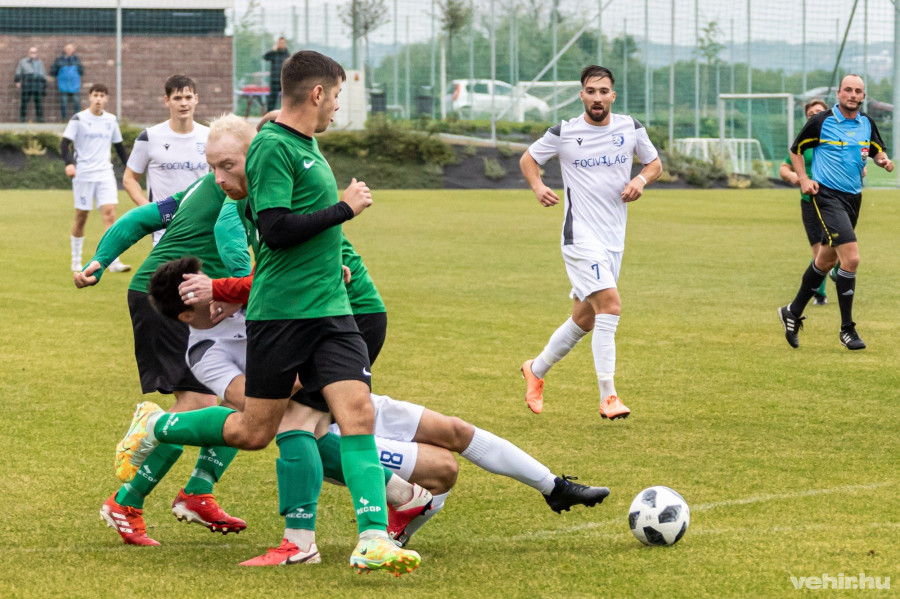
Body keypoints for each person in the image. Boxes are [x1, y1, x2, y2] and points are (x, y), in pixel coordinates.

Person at [112, 50, 422, 577]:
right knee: (257, 430)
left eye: (223, 165)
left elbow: (282, 223)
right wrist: (346, 208)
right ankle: (161, 427)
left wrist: (334, 263)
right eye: (337, 97)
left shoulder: (297, 145)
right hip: (282, 316)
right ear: (318, 93)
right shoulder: (275, 146)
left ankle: (371, 537)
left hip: (330, 310)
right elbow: (276, 229)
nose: (338, 109)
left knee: (357, 414)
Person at [74, 115, 255, 547]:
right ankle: (128, 500)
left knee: (244, 401)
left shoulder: (204, 186)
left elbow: (140, 219)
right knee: (201, 407)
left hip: (199, 299)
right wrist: (250, 285)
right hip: (171, 299)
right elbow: (230, 237)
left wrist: (101, 260)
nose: (220, 174)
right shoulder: (232, 187)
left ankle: (195, 493)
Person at [518, 65, 662, 418]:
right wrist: (539, 187)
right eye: (591, 91)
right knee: (610, 306)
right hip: (579, 235)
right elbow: (529, 159)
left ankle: (535, 370)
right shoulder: (565, 131)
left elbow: (654, 163)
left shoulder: (630, 127)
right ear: (581, 95)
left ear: (613, 95)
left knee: (585, 319)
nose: (597, 97)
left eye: (603, 91)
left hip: (613, 238)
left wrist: (641, 180)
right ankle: (608, 396)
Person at [778, 74, 894, 350]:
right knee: (851, 259)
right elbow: (795, 151)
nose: (853, 95)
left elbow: (876, 150)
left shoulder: (866, 123)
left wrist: (883, 160)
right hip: (827, 196)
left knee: (825, 261)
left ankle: (792, 312)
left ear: (863, 96)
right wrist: (804, 179)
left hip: (854, 198)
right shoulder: (821, 122)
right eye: (848, 90)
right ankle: (847, 329)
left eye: (858, 91)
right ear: (839, 94)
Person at [123, 75, 209, 246]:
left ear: (196, 99)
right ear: (166, 100)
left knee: (201, 274)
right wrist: (149, 210)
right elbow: (129, 178)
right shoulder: (149, 137)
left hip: (202, 226)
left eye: (188, 97)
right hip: (164, 231)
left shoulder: (210, 136)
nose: (183, 103)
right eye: (177, 98)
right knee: (167, 273)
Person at [62, 83, 130, 274]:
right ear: (90, 97)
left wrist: (130, 169)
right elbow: (64, 144)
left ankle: (114, 261)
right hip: (83, 174)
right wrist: (69, 163)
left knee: (110, 215)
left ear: (106, 99)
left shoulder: (111, 120)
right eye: (95, 95)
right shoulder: (78, 118)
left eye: (102, 95)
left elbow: (119, 147)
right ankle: (76, 259)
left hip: (105, 174)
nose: (99, 98)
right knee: (81, 216)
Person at [779, 99, 830, 306]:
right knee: (818, 250)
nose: (814, 116)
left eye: (819, 112)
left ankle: (835, 271)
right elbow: (784, 167)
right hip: (809, 201)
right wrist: (796, 178)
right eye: (811, 114)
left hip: (834, 200)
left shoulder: (835, 139)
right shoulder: (803, 142)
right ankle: (820, 293)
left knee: (837, 248)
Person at [50, 43, 83, 120]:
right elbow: (53, 71)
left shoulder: (76, 59)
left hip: (74, 85)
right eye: (67, 49)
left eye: (70, 49)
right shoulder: (59, 60)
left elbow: (81, 71)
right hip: (63, 85)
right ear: (65, 50)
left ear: (73, 50)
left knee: (76, 102)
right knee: (63, 102)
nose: (68, 51)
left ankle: (77, 118)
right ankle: (64, 118)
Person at [14, 46, 47, 123]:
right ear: (29, 53)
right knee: (24, 102)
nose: (33, 54)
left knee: (38, 102)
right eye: (32, 52)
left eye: (35, 52)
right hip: (27, 82)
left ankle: (40, 119)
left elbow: (43, 73)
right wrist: (17, 81)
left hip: (37, 83)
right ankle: (22, 118)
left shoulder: (39, 62)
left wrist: (44, 83)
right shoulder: (23, 61)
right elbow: (18, 71)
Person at [263, 37, 290, 112]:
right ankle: (269, 114)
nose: (281, 44)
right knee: (272, 99)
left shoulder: (287, 54)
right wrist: (272, 50)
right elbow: (265, 57)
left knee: (286, 98)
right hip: (274, 80)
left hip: (284, 80)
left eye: (283, 43)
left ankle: (286, 114)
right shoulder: (274, 53)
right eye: (280, 43)